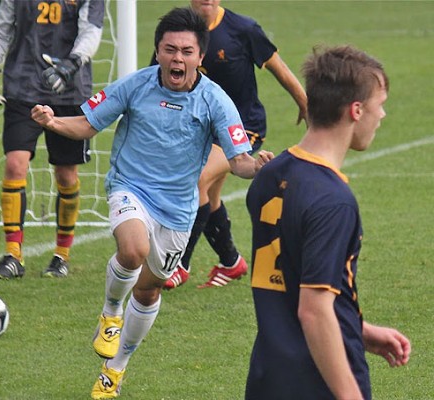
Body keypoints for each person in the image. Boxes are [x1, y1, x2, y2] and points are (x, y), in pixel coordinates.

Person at [32, 7, 273, 398]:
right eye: (169, 49)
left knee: (148, 291)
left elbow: (239, 161)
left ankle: (116, 368)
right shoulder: (134, 86)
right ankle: (111, 312)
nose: (177, 58)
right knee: (133, 249)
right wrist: (53, 122)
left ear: (199, 57)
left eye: (186, 51)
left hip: (178, 210)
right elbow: (88, 123)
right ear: (157, 51)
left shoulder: (216, 101)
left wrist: (258, 167)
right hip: (131, 188)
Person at [245, 45, 411, 399]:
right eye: (379, 105)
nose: (381, 115)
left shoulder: (270, 175)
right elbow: (314, 311)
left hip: (268, 377)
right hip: (317, 382)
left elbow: (290, 281)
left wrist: (360, 330)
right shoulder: (332, 200)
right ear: (356, 110)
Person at [164, 0, 307, 290]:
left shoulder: (242, 29)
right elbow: (155, 79)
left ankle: (179, 264)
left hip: (243, 127)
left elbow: (279, 69)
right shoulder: (177, 36)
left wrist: (306, 104)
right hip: (201, 131)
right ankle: (231, 262)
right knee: (210, 196)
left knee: (199, 180)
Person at [0, 0, 104, 279]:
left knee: (66, 175)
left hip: (69, 90)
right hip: (23, 87)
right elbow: (1, 27)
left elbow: (91, 31)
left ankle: (62, 255)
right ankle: (13, 255)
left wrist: (71, 64)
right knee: (14, 164)